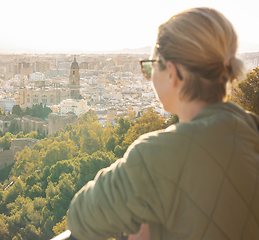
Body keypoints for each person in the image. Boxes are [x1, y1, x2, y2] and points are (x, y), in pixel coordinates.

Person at [66, 7, 259, 240]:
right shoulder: (253, 130)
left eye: (150, 67)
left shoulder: (156, 155)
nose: (148, 75)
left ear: (172, 72)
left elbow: (80, 217)